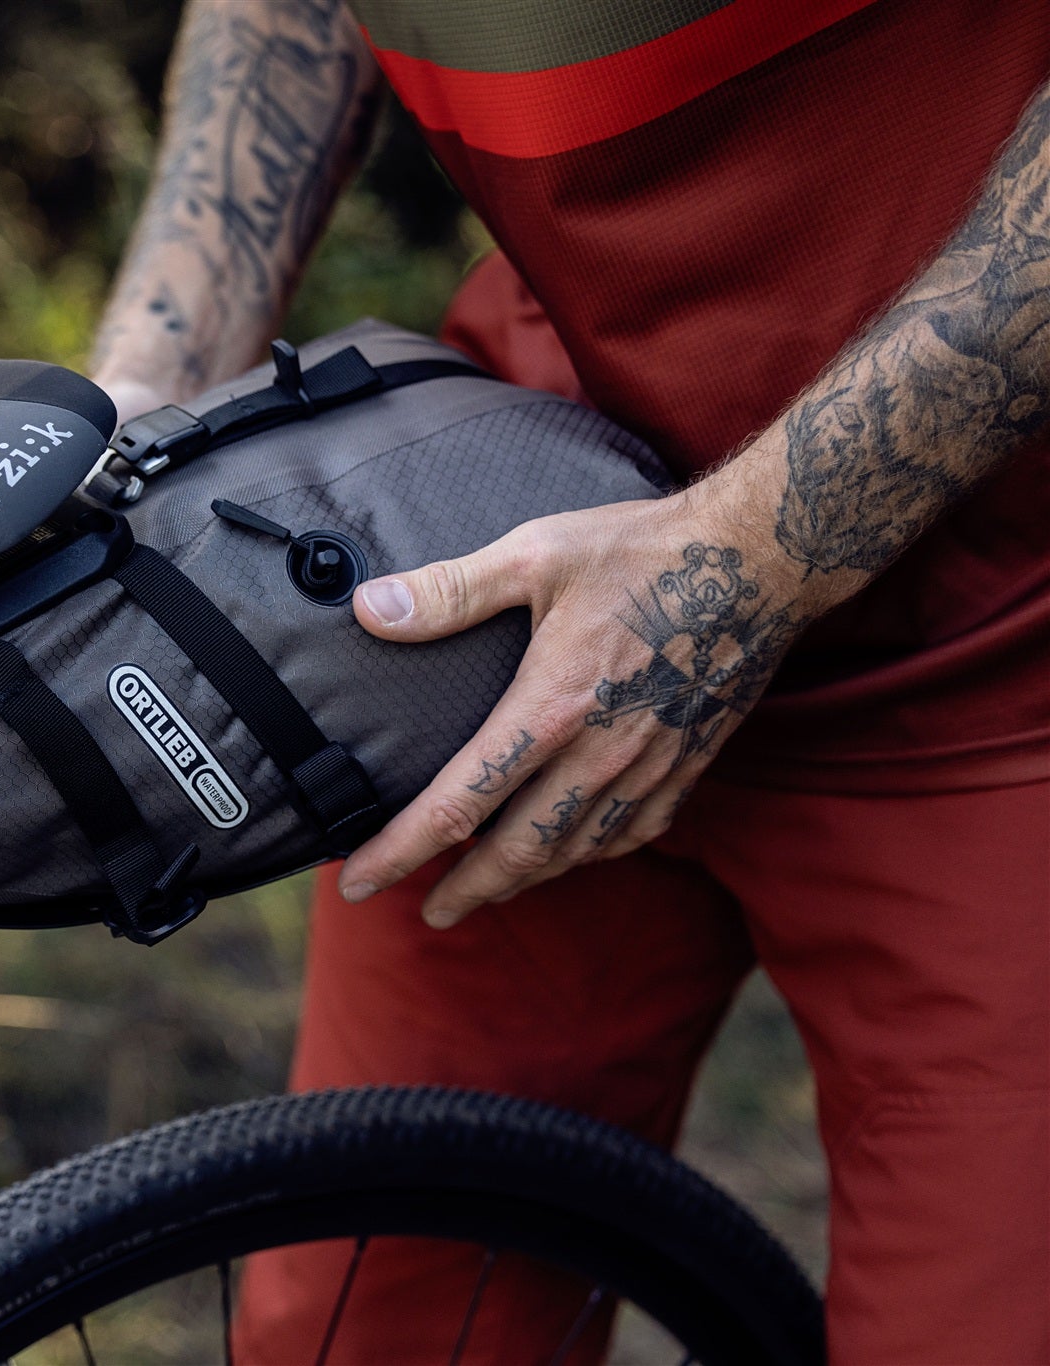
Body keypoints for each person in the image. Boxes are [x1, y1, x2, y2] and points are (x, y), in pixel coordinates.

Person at [89, 1, 1050, 1360]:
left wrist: (748, 562)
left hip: (1011, 656)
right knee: (377, 1321)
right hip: (522, 566)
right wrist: (139, 397)